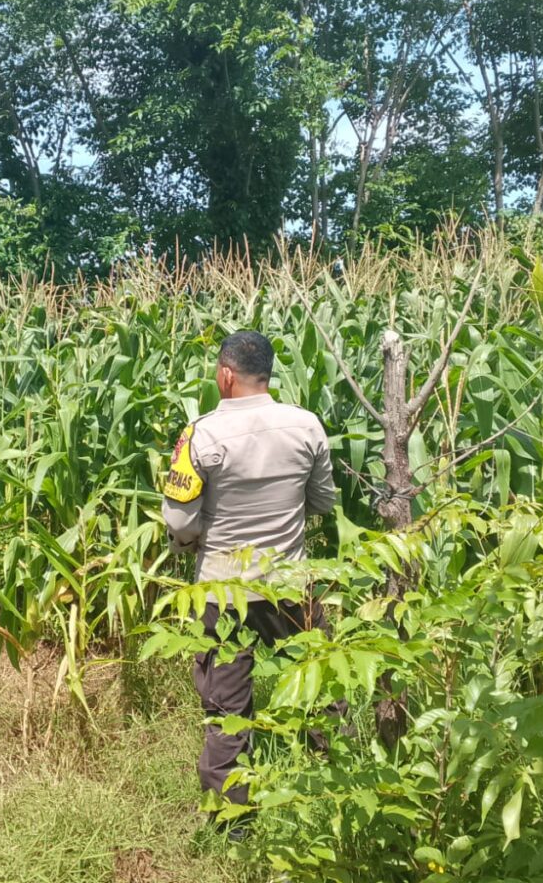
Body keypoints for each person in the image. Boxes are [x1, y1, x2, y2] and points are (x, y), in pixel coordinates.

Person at [162, 330, 338, 816]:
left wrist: (190, 542)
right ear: (267, 373)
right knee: (323, 683)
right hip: (290, 585)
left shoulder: (200, 433)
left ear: (225, 374)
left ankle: (234, 819)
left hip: (223, 590)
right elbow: (322, 501)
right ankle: (331, 786)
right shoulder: (306, 425)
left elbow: (178, 520)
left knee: (226, 710)